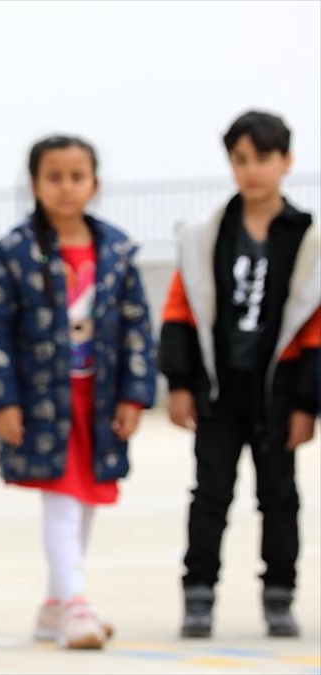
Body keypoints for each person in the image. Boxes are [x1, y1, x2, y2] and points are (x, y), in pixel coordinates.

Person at [0, 135, 156, 650]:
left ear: (94, 183)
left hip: (98, 400)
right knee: (61, 495)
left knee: (86, 499)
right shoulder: (14, 253)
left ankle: (57, 603)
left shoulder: (117, 252)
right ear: (34, 184)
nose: (65, 187)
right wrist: (3, 399)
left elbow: (137, 328)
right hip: (41, 401)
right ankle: (77, 603)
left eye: (76, 176)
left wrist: (134, 395)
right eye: (53, 176)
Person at [159, 110, 319, 639]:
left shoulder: (308, 238)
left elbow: (315, 327)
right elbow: (182, 310)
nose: (251, 171)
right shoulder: (208, 234)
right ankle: (198, 594)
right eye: (240, 160)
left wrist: (307, 403)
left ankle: (279, 595)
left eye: (263, 159)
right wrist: (181, 384)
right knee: (210, 494)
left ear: (286, 161)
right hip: (219, 389)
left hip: (278, 391)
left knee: (279, 497)